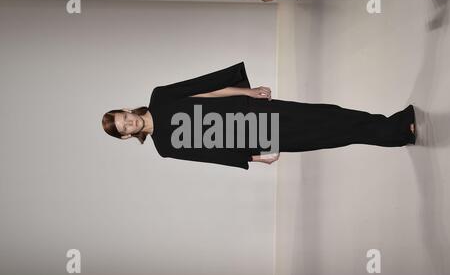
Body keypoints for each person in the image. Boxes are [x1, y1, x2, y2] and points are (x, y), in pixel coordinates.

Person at [102, 62, 416, 170]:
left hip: (253, 111)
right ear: (128, 136)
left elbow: (203, 90)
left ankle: (393, 124)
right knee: (326, 136)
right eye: (124, 128)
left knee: (326, 114)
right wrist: (252, 158)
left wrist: (247, 92)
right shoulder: (164, 148)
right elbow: (207, 154)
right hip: (255, 137)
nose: (128, 123)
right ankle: (393, 134)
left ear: (127, 111)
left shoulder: (160, 96)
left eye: (123, 117)